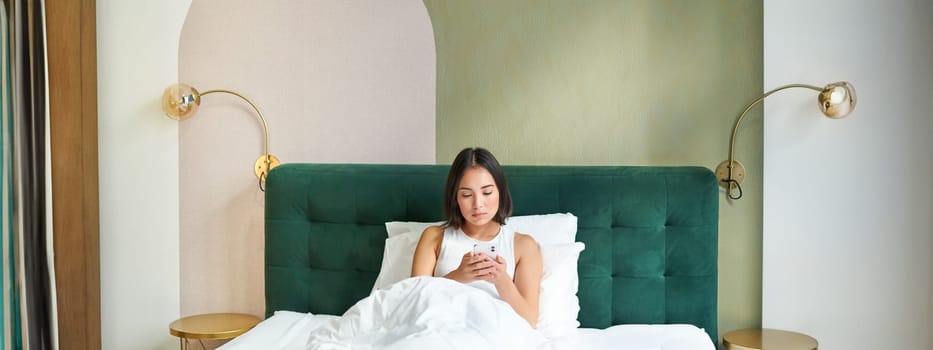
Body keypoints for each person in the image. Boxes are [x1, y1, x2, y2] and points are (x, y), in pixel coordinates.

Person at [411, 147, 543, 328]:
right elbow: (411, 301)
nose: (478, 204)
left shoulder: (523, 246)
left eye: (487, 192)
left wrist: (501, 279)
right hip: (439, 330)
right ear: (455, 197)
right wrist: (459, 276)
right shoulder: (434, 237)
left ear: (500, 192)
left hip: (494, 333)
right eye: (466, 195)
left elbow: (529, 321)